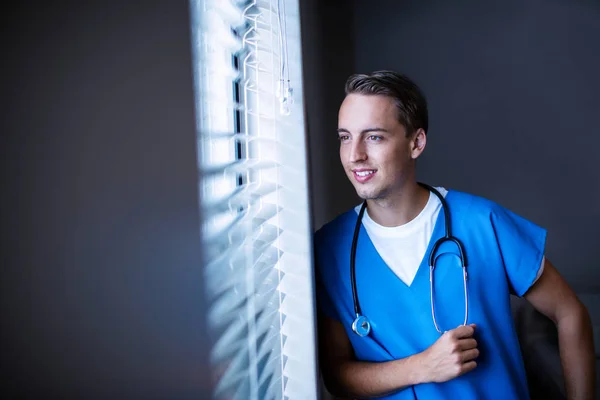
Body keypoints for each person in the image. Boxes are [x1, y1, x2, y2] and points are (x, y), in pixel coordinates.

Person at [313, 70, 596, 399]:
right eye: (345, 137)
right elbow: (337, 376)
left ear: (416, 143)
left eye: (374, 137)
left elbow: (570, 313)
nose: (354, 155)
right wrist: (423, 366)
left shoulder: (481, 223)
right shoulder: (330, 249)